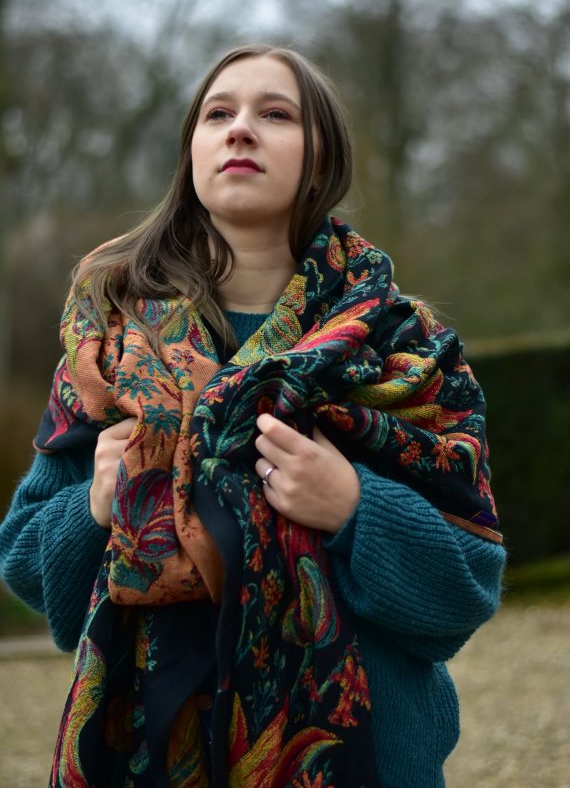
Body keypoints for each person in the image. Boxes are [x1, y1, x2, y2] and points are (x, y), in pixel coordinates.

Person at [0, 43, 505, 788]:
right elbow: (24, 563)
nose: (240, 128)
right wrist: (96, 505)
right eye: (218, 114)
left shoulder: (409, 351)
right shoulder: (109, 350)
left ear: (321, 160)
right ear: (192, 154)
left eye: (275, 114)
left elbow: (467, 586)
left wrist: (355, 507)